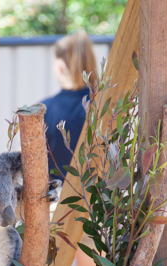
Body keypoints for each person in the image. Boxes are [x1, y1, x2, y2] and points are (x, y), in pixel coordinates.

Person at [41, 30, 97, 181]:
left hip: (57, 201)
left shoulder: (44, 110)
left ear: (60, 66)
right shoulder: (105, 106)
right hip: (102, 199)